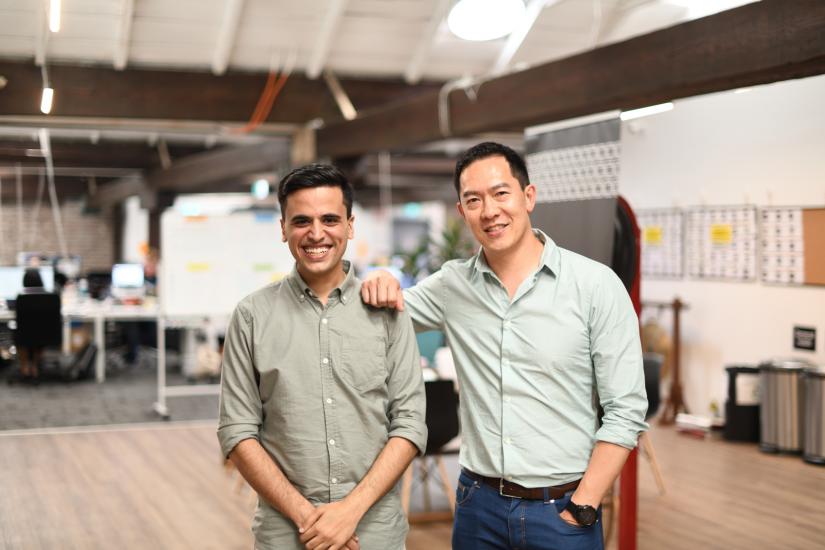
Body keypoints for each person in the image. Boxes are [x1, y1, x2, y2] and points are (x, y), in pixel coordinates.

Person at [361, 142, 648, 550]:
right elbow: (376, 313)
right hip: (478, 510)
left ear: (528, 197)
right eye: (473, 200)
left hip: (563, 510)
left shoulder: (595, 286)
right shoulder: (452, 285)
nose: (489, 211)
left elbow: (627, 409)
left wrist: (584, 503)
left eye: (500, 193)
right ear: (462, 213)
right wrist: (380, 281)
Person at [217, 164, 427, 550]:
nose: (316, 234)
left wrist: (349, 513)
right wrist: (309, 519)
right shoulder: (251, 316)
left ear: (350, 225)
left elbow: (410, 424)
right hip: (287, 535)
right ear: (283, 228)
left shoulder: (387, 311)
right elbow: (237, 432)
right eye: (301, 221)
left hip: (374, 533)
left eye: (330, 219)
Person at [15, 268, 48, 383]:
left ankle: (24, 367)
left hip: (23, 334)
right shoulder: (49, 298)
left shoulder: (20, 298)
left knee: (20, 333)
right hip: (43, 334)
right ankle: (34, 366)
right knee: (38, 334)